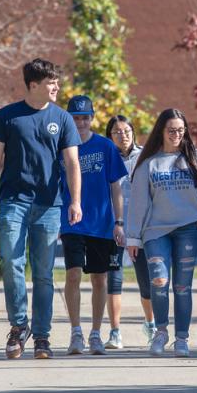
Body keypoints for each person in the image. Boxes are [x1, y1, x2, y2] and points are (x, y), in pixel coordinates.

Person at [0, 58, 82, 360]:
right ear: (33, 85)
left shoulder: (62, 118)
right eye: (51, 82)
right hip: (13, 201)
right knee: (11, 264)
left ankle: (42, 336)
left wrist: (75, 201)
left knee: (43, 273)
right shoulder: (7, 117)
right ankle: (18, 326)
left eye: (57, 81)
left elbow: (72, 163)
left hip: (50, 205)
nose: (57, 86)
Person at [126, 108, 197, 357]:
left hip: (187, 229)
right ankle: (160, 331)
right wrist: (133, 236)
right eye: (172, 130)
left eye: (181, 130)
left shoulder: (194, 158)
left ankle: (181, 338)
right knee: (159, 280)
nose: (177, 134)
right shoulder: (149, 163)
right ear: (161, 131)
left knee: (182, 286)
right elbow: (138, 203)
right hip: (155, 231)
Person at [58, 96, 128, 356]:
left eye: (85, 117)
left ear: (92, 118)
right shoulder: (62, 146)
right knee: (73, 274)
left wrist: (119, 222)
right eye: (76, 118)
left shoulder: (106, 146)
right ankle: (76, 332)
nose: (81, 122)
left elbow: (116, 187)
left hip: (102, 224)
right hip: (72, 222)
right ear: (69, 119)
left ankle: (96, 333)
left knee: (100, 279)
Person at [103, 115, 156, 348]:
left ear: (133, 132)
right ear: (109, 136)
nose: (122, 135)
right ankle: (115, 332)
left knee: (146, 282)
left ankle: (151, 325)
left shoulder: (146, 156)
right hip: (113, 226)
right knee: (114, 280)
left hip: (141, 227)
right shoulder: (105, 157)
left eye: (126, 131)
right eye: (116, 132)